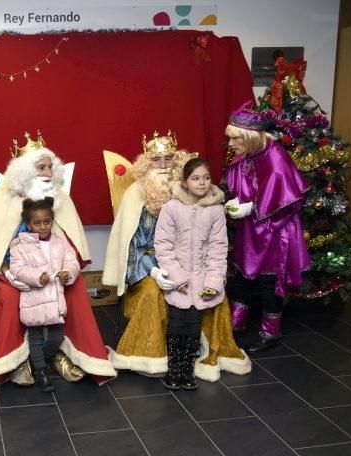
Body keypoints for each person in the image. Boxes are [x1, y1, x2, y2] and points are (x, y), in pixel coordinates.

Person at [102, 131, 249, 380]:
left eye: (168, 159)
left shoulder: (191, 193)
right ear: (146, 163)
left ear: (178, 162)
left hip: (190, 263)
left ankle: (205, 353)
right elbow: (133, 246)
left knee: (214, 294)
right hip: (147, 265)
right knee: (152, 292)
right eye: (156, 160)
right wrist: (155, 271)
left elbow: (209, 241)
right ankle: (151, 357)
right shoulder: (134, 195)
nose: (162, 166)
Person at [0, 131, 116, 385]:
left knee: (75, 292)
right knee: (9, 299)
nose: (47, 172)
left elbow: (72, 250)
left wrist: (65, 273)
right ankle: (17, 361)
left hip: (54, 275)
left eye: (49, 167)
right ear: (24, 172)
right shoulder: (3, 203)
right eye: (40, 167)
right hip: (14, 273)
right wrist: (10, 273)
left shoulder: (61, 201)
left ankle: (65, 354)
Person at [224, 101, 311, 352]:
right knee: (243, 274)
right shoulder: (250, 154)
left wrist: (251, 208)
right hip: (252, 229)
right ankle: (235, 323)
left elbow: (286, 201)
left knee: (269, 283)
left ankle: (270, 332)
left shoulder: (275, 158)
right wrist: (239, 203)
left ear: (250, 137)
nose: (231, 145)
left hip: (275, 230)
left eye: (235, 139)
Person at [154, 158, 227, 391]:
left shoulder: (216, 210)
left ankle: (187, 372)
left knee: (193, 327)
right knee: (177, 324)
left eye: (206, 177)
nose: (202, 183)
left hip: (202, 281)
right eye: (195, 178)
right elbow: (163, 245)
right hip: (179, 282)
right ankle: (174, 371)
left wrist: (213, 282)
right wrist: (177, 278)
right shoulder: (171, 208)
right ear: (185, 182)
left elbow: (218, 249)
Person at [9, 197, 80, 392]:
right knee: (36, 336)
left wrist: (69, 274)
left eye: (47, 222)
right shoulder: (20, 245)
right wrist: (36, 277)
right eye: (37, 223)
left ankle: (38, 359)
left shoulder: (59, 242)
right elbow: (17, 269)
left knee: (57, 337)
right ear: (28, 224)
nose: (43, 226)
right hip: (34, 299)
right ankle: (41, 372)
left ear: (52, 220)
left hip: (56, 299)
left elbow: (71, 261)